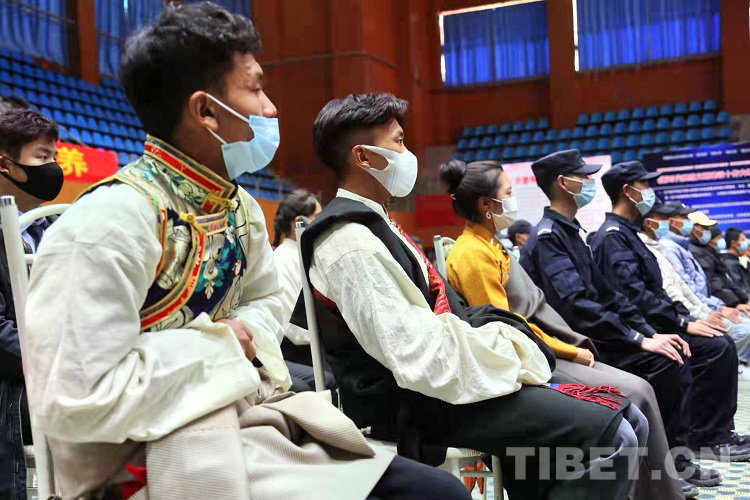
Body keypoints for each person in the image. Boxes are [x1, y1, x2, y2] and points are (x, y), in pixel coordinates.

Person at [23, 5, 471, 499]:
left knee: (437, 489)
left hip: (237, 419)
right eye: (255, 89)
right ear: (207, 111)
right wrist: (221, 345)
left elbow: (267, 301)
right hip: (137, 458)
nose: (271, 108)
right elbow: (73, 398)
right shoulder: (109, 220)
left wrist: (238, 344)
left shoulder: (242, 209)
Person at [294, 94, 648, 500]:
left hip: (452, 379)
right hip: (421, 403)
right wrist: (507, 355)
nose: (408, 154)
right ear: (363, 157)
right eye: (399, 142)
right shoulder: (349, 241)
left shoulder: (377, 221)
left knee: (629, 420)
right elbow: (415, 355)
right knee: (615, 437)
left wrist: (506, 347)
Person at [441, 159, 689, 499]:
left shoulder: (491, 245)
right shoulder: (472, 254)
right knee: (634, 394)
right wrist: (572, 350)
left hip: (547, 345)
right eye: (509, 193)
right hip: (535, 357)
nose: (513, 200)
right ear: (487, 204)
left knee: (640, 395)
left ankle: (657, 490)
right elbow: (507, 327)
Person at [519, 150, 725, 487]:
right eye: (583, 176)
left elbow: (609, 295)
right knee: (667, 364)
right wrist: (636, 339)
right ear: (563, 183)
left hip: (599, 334)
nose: (589, 181)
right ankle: (665, 469)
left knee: (672, 351)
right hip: (579, 344)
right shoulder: (548, 239)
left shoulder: (571, 233)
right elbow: (578, 307)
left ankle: (674, 461)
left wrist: (647, 333)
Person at [591, 160, 749, 462]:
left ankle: (716, 434)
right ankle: (703, 440)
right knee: (714, 349)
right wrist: (680, 324)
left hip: (656, 322)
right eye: (646, 185)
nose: (651, 191)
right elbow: (633, 296)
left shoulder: (627, 234)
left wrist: (685, 319)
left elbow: (658, 292)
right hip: (641, 329)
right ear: (628, 191)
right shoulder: (612, 237)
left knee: (721, 343)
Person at [0, 109, 63, 500]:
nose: (54, 167)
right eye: (42, 156)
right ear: (5, 165)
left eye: (55, 156)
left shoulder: (52, 227)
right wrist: (57, 356)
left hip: (50, 369)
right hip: (15, 382)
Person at [272, 189, 337, 393]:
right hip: (300, 353)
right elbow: (296, 331)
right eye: (317, 216)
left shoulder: (307, 255)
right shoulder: (282, 260)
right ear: (298, 222)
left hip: (318, 344)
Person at [722, 228, 750, 294]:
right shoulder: (729, 264)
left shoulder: (736, 260)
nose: (746, 243)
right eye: (742, 240)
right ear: (734, 243)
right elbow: (741, 289)